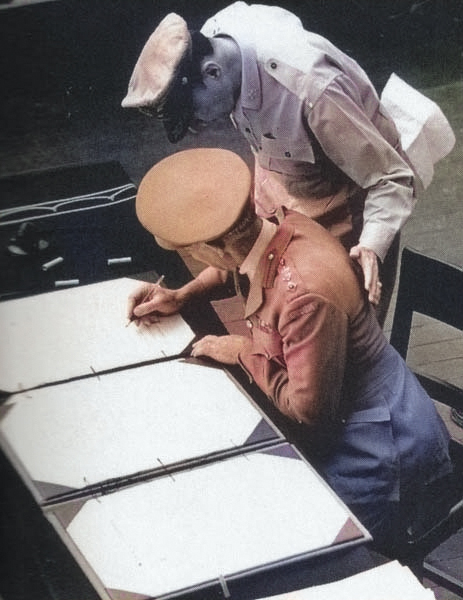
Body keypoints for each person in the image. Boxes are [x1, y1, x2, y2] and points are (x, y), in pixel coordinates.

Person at [127, 147, 452, 554]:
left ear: (214, 246)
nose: (196, 260)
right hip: (356, 415)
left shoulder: (305, 296)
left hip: (381, 448)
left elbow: (309, 411)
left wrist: (243, 351)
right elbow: (241, 263)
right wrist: (183, 294)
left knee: (291, 542)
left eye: (194, 253)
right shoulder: (279, 225)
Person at [122, 2, 419, 325]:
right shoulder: (216, 42)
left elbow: (392, 177)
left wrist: (371, 246)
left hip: (343, 221)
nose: (196, 127)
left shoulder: (312, 89)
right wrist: (183, 294)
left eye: (193, 114)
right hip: (284, 182)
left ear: (212, 72)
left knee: (336, 346)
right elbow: (249, 247)